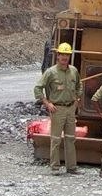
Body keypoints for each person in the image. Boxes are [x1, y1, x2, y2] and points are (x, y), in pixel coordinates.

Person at [33, 42, 83, 176]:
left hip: (70, 108)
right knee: (55, 139)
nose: (64, 57)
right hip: (57, 109)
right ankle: (55, 167)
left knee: (70, 138)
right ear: (58, 55)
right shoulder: (51, 72)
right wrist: (47, 103)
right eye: (62, 54)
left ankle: (71, 167)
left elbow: (79, 85)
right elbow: (38, 88)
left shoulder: (74, 71)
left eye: (67, 55)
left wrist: (77, 99)